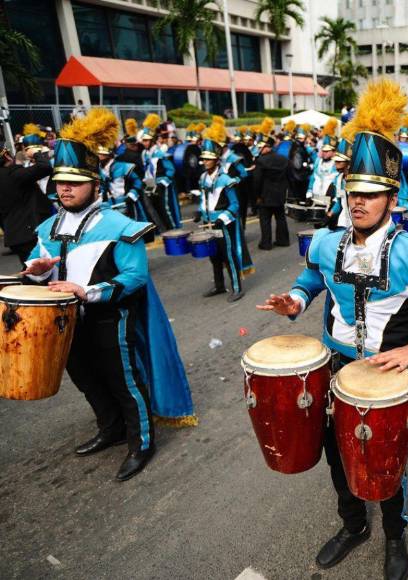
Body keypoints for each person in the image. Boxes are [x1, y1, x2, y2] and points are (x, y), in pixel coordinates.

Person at [257, 80, 408, 580]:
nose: (359, 203)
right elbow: (312, 279)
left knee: (385, 461)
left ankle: (395, 536)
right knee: (336, 453)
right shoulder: (327, 242)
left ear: (391, 198)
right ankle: (353, 526)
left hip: (385, 375)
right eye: (353, 193)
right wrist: (294, 299)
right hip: (333, 365)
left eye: (371, 195)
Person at [21, 108, 195, 481]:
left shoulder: (120, 225)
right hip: (64, 322)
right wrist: (39, 270)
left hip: (110, 318)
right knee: (85, 378)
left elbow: (136, 275)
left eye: (75, 182)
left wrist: (88, 292)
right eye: (60, 182)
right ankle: (111, 428)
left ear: (94, 184)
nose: (65, 189)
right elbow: (40, 268)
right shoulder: (47, 227)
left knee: (123, 381)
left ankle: (141, 442)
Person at [196, 121, 252, 302]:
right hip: (208, 223)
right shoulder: (203, 177)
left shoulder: (226, 179)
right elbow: (203, 200)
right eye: (203, 159)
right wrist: (199, 211)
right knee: (214, 256)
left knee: (228, 256)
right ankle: (219, 285)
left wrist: (222, 218)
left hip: (223, 224)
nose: (204, 162)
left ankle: (237, 287)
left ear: (216, 159)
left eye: (208, 158)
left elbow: (235, 205)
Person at [0, 139, 54, 265]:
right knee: (42, 273)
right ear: (7, 156)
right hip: (30, 232)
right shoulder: (13, 173)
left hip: (14, 235)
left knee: (31, 272)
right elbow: (45, 167)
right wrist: (35, 154)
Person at [253, 134, 290, 250]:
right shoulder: (283, 159)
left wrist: (257, 195)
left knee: (265, 220)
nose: (259, 150)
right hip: (279, 194)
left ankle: (266, 243)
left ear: (267, 147)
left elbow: (257, 180)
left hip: (265, 195)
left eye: (261, 147)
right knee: (280, 218)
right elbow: (289, 176)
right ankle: (283, 240)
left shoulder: (260, 161)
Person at [325, 136, 353, 229]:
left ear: (348, 163)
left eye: (339, 161)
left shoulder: (356, 181)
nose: (335, 163)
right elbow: (339, 201)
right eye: (336, 161)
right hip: (343, 221)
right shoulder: (338, 179)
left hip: (357, 221)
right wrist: (330, 214)